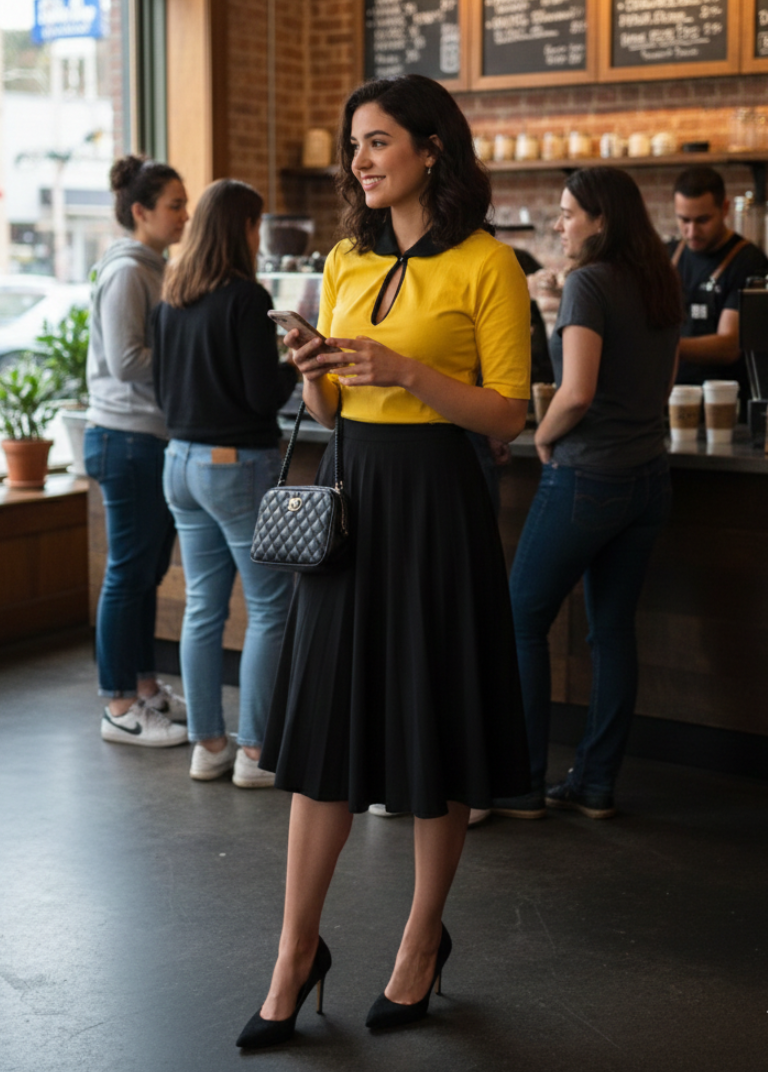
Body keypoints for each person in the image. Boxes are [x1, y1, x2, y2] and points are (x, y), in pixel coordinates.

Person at [236, 74, 532, 1049]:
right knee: (322, 734)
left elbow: (506, 413)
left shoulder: (491, 264)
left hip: (440, 499)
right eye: (353, 145)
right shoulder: (345, 258)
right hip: (353, 490)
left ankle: (418, 941)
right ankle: (292, 955)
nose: (359, 160)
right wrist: (317, 372)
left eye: (376, 141)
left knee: (433, 725)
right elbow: (328, 414)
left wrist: (407, 370)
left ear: (431, 147)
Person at [503, 167, 683, 822]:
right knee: (611, 632)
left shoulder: (589, 282)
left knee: (521, 618)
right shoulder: (659, 279)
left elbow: (575, 391)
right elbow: (661, 386)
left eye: (568, 212)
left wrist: (544, 439)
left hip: (588, 477)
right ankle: (595, 784)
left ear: (601, 218)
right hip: (647, 478)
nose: (559, 223)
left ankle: (521, 784)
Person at [151, 179, 296, 788]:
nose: (260, 235)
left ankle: (208, 744)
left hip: (179, 462)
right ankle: (256, 753)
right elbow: (264, 395)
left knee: (204, 607)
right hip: (236, 464)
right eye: (257, 223)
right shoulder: (246, 298)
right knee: (269, 606)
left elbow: (160, 391)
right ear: (242, 228)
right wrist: (296, 359)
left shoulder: (172, 298)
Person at [85, 154, 189, 747]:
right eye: (174, 206)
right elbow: (127, 362)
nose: (184, 216)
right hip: (125, 439)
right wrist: (191, 370)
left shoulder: (152, 266)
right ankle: (119, 704)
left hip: (143, 437)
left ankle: (145, 687)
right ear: (141, 211)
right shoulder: (129, 271)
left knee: (146, 572)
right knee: (128, 575)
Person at [671, 167, 768, 404]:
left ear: (724, 209)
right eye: (684, 220)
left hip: (725, 402)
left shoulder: (748, 261)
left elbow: (729, 344)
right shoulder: (668, 255)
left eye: (702, 220)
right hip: (675, 397)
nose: (691, 232)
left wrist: (664, 346)